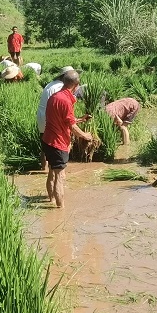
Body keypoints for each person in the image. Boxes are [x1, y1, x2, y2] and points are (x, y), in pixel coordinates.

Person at [42, 70, 93, 208]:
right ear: (76, 85)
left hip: (47, 140)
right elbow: (72, 126)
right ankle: (60, 209)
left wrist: (80, 119)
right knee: (60, 176)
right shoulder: (65, 101)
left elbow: (63, 118)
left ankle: (51, 201)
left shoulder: (54, 97)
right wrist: (85, 135)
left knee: (52, 172)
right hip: (58, 143)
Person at [37, 66, 76, 172]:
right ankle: (56, 168)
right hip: (50, 117)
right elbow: (63, 104)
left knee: (45, 142)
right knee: (57, 142)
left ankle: (44, 168)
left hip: (41, 116)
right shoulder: (60, 87)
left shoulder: (50, 84)